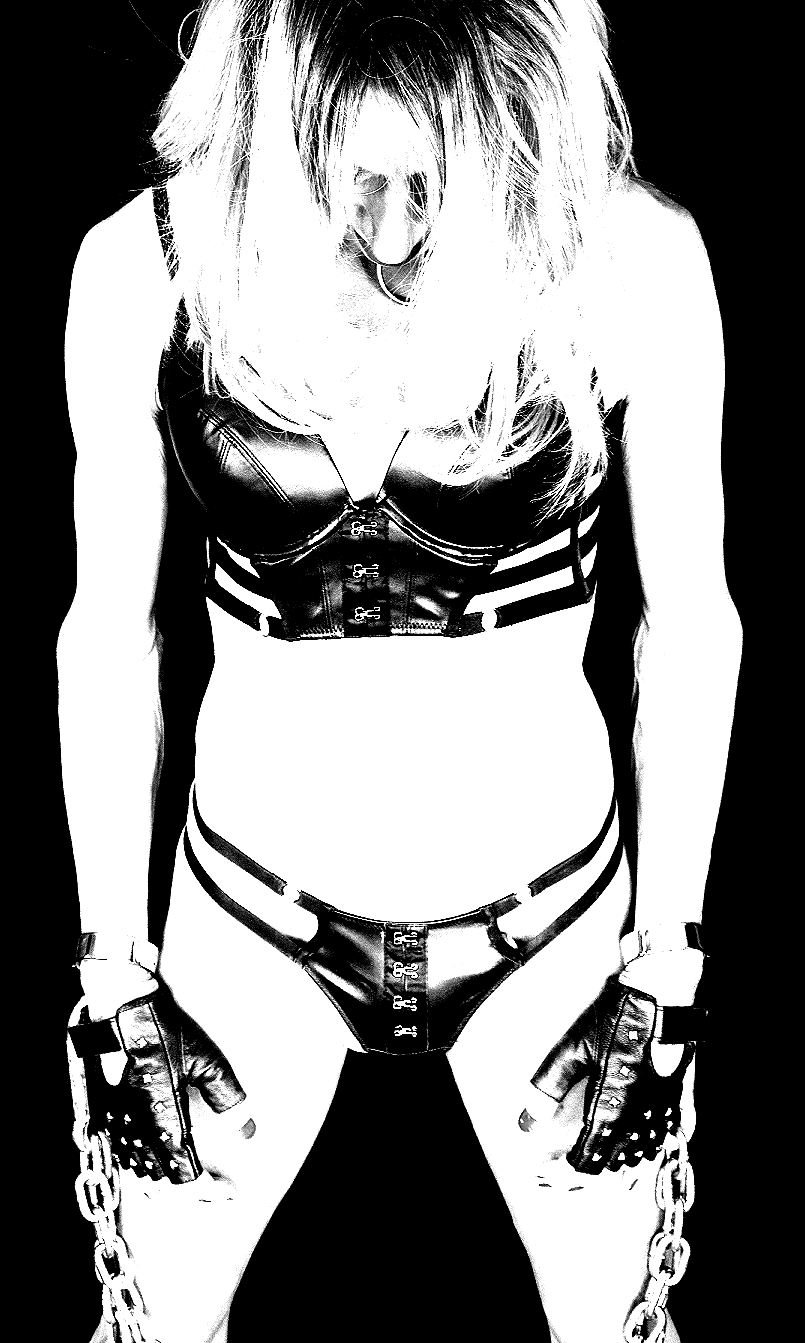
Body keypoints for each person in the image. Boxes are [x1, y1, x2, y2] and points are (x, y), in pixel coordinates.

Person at [59, 3, 741, 1340]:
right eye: (345, 176)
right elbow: (108, 631)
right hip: (252, 918)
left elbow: (691, 627)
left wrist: (665, 973)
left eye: (432, 179)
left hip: (549, 923)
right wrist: (114, 970)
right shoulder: (149, 267)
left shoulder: (627, 258)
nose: (389, 226)